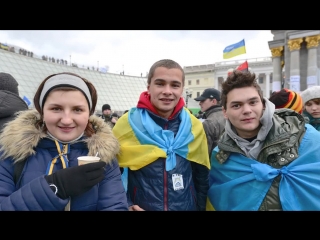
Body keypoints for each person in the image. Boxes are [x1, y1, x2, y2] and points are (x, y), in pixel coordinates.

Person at [0, 72, 128, 211]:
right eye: (56, 109)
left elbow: (115, 206)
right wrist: (55, 187)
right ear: (42, 111)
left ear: (89, 113)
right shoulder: (10, 152)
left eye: (77, 110)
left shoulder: (104, 156)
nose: (67, 120)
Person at [207, 70, 320, 211]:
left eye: (253, 102)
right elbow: (222, 200)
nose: (247, 110)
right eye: (237, 105)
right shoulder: (221, 157)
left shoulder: (306, 137)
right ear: (225, 112)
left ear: (264, 105)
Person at [113, 59, 210, 211]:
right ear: (149, 87)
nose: (167, 91)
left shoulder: (194, 126)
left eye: (175, 85)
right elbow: (110, 175)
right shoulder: (128, 124)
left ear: (182, 89)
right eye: (160, 83)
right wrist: (127, 204)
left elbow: (201, 176)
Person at [194, 88, 226, 158]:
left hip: (213, 165)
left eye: (203, 100)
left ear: (213, 101)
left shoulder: (208, 123)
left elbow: (203, 155)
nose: (200, 103)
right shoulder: (228, 116)